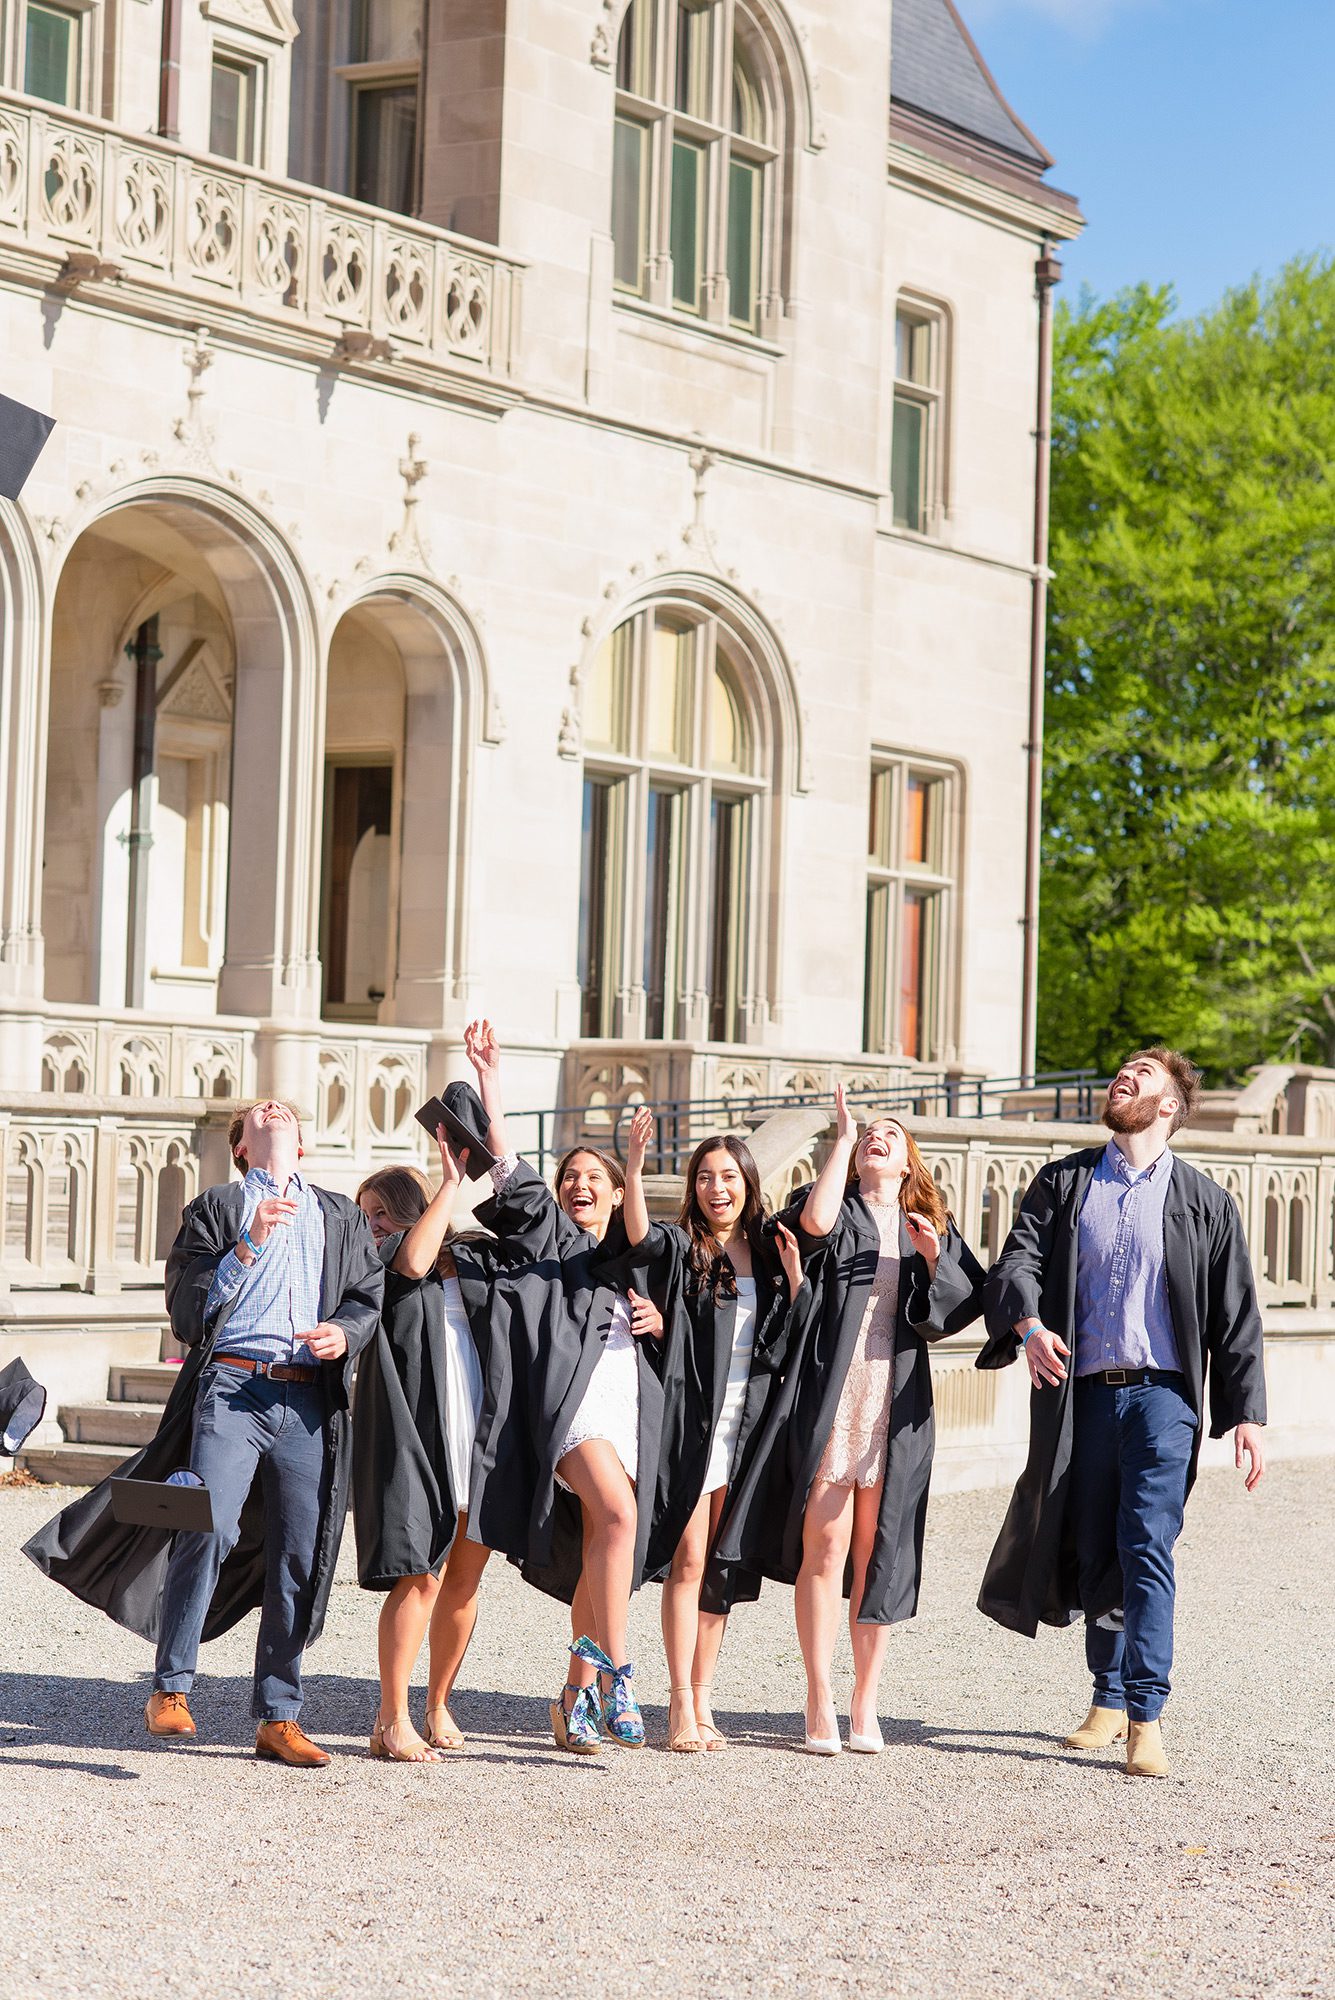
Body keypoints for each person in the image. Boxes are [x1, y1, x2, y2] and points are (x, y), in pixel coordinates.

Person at [24, 1099, 383, 1767]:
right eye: (258, 1113)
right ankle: (171, 1689)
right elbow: (188, 1313)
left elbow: (367, 1295)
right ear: (242, 1146)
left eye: (285, 1112)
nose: (273, 1110)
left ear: (301, 1142)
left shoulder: (338, 1214)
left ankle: (279, 1717)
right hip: (233, 1389)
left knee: (300, 1554)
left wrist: (347, 1332)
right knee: (207, 1524)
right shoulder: (217, 1208)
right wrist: (246, 1244)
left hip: (308, 1399)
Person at [976, 1046, 1267, 1778]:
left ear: (1168, 1104)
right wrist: (1029, 1326)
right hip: (1083, 1396)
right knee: (1094, 1543)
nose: (1123, 1078)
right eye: (1121, 1072)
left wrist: (1247, 1416)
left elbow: (1235, 1313)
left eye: (1142, 1074)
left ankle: (1144, 1713)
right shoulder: (1065, 1183)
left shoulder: (1203, 1201)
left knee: (1145, 1545)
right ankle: (1103, 1695)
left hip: (1162, 1399)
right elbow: (1017, 1264)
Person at [713, 1086, 985, 1754]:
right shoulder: (833, 1206)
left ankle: (866, 1700)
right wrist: (839, 1139)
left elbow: (954, 1309)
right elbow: (812, 1226)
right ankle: (818, 1695)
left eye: (889, 1134)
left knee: (876, 1552)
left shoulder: (928, 1226)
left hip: (894, 1404)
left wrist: (927, 1258)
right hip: (833, 1395)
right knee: (825, 1547)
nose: (876, 1136)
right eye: (869, 1133)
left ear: (908, 1163)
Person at [458, 1024, 667, 1755]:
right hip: (570, 1411)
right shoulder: (547, 1234)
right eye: (569, 1175)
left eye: (593, 1178)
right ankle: (619, 1677)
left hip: (628, 1407)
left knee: (604, 1554)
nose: (578, 1185)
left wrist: (657, 1316)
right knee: (617, 1511)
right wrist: (490, 1079)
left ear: (615, 1194)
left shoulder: (639, 1257)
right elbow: (506, 1166)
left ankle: (574, 1699)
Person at [618, 1105, 804, 1753]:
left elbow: (781, 1349)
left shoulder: (770, 1254)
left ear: (748, 1184)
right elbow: (638, 1238)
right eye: (704, 1176)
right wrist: (637, 1168)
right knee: (687, 1561)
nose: (715, 1187)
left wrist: (799, 1282)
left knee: (721, 1567)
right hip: (693, 1426)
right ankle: (677, 1708)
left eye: (727, 1176)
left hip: (745, 1430)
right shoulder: (681, 1247)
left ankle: (705, 1702)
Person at [352, 1152, 495, 1764]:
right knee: (421, 1574)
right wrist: (451, 1184)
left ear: (410, 1209)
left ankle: (438, 1703)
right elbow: (411, 1259)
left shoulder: (470, 1259)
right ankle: (392, 1716)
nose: (372, 1224)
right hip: (418, 1430)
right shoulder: (377, 1262)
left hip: (477, 1426)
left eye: (383, 1211)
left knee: (463, 1578)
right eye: (366, 1215)